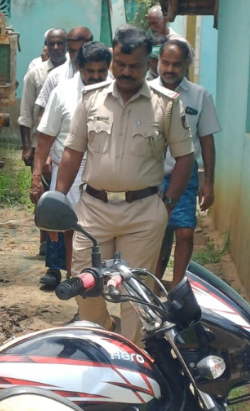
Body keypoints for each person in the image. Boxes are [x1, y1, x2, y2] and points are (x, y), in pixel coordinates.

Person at [54, 26, 194, 344]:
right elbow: (72, 153)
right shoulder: (91, 99)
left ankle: (130, 365)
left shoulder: (167, 105)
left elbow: (185, 158)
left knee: (136, 296)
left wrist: (166, 204)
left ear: (150, 64)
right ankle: (105, 333)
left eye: (135, 65)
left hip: (143, 213)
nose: (126, 71)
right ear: (114, 58)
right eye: (120, 63)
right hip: (92, 210)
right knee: (84, 285)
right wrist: (57, 201)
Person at [30, 42, 111, 288]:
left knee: (98, 231)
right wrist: (35, 178)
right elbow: (45, 138)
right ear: (79, 67)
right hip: (67, 171)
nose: (96, 77)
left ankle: (94, 280)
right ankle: (73, 281)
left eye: (101, 72)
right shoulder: (62, 92)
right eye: (90, 72)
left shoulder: (117, 94)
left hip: (103, 172)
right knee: (67, 229)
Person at [152, 39, 221, 289]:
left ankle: (178, 286)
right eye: (165, 63)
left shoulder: (200, 96)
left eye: (176, 65)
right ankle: (154, 283)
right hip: (150, 174)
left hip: (184, 174)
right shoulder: (144, 91)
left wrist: (209, 183)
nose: (170, 69)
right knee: (158, 233)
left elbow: (207, 140)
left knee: (184, 231)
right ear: (157, 62)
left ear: (186, 66)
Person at [19, 28, 67, 256]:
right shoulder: (36, 74)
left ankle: (63, 247)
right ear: (46, 46)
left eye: (61, 43)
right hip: (44, 143)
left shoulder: (75, 73)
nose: (56, 48)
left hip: (68, 145)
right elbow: (27, 113)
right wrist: (27, 146)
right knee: (43, 196)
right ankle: (45, 243)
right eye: (52, 44)